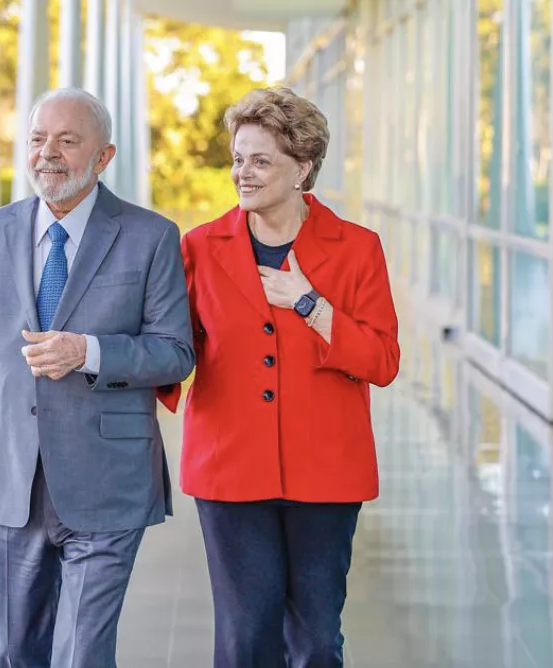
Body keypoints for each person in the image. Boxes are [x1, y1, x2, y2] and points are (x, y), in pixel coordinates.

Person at [0, 87, 195, 668]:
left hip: (109, 481)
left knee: (82, 654)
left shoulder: (150, 236)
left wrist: (89, 351)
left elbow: (175, 353)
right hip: (9, 481)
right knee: (16, 651)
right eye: (36, 139)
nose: (46, 153)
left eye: (66, 141)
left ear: (103, 157)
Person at [160, 87, 400, 667]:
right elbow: (171, 350)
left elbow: (383, 361)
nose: (243, 172)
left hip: (328, 474)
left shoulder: (358, 249)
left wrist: (313, 306)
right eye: (239, 158)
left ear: (303, 168)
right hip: (229, 472)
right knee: (246, 638)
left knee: (317, 640)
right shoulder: (199, 247)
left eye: (261, 159)